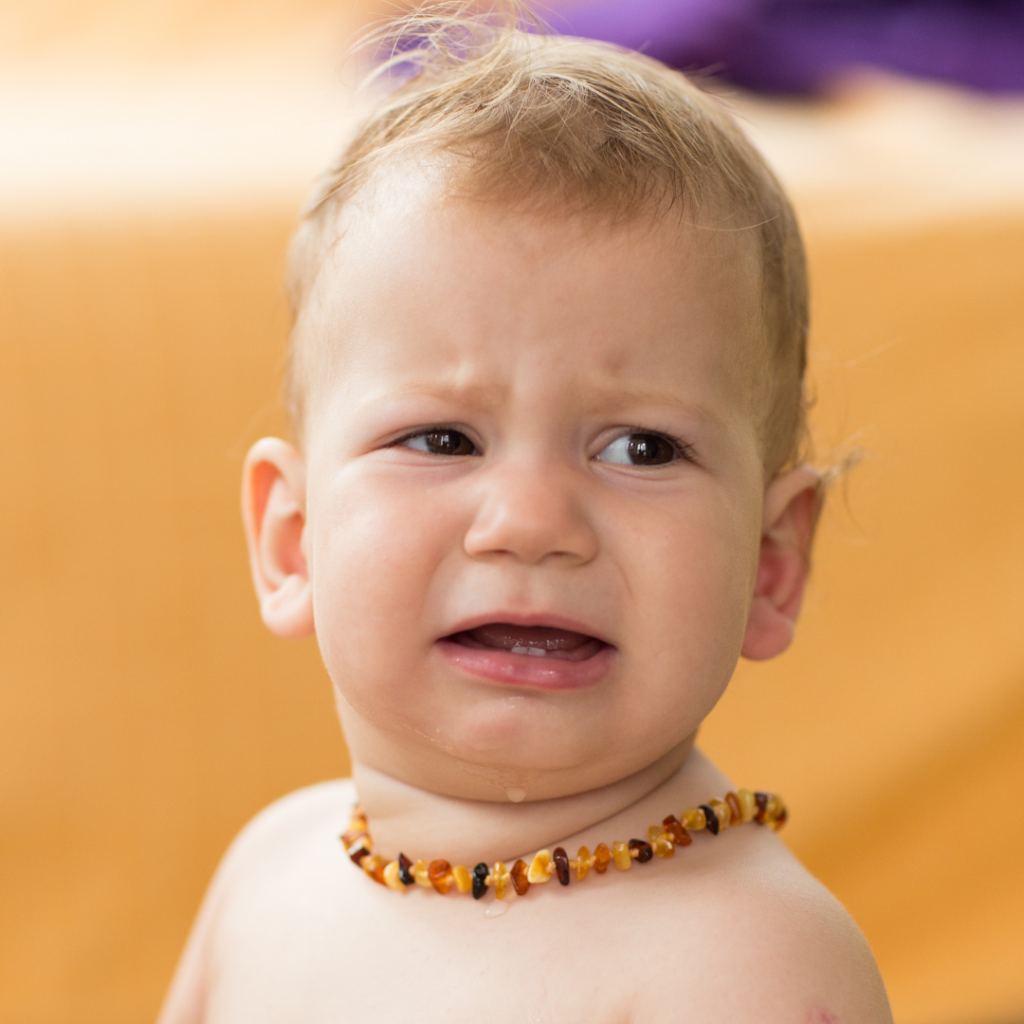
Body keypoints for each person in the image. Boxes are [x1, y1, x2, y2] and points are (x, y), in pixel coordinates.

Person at [158, 9, 892, 1021]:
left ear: (768, 565)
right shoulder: (267, 876)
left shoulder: (741, 966)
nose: (530, 520)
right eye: (442, 439)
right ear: (291, 544)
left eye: (640, 447)